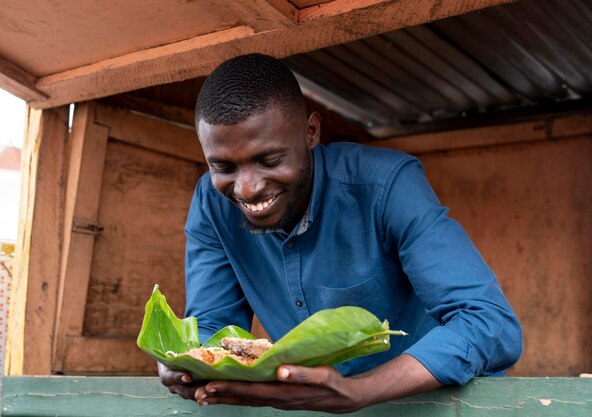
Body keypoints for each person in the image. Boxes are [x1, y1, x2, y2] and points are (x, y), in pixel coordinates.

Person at [159, 53, 523, 413]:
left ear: (311, 132)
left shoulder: (388, 185)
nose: (248, 189)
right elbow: (211, 326)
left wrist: (358, 391)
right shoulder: (211, 204)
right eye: (223, 167)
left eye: (269, 160)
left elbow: (490, 324)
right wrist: (184, 362)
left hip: (431, 404)